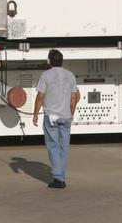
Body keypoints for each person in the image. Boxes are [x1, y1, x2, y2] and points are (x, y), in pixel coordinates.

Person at [31, 48, 80, 189]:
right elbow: (74, 97)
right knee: (63, 147)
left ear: (49, 61)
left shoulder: (45, 75)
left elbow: (40, 96)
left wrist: (35, 114)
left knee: (53, 146)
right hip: (65, 116)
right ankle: (61, 175)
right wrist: (72, 113)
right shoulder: (70, 75)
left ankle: (59, 179)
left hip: (51, 116)